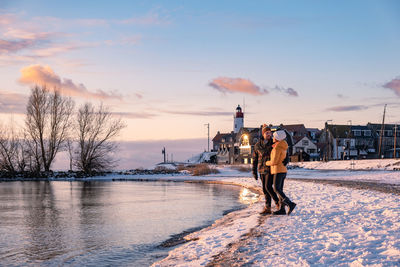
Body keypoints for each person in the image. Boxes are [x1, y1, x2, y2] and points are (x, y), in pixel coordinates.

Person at [265, 130, 296, 215]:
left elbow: (274, 161)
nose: (272, 138)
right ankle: (282, 209)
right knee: (280, 189)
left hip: (278, 170)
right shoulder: (283, 146)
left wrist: (266, 163)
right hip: (282, 170)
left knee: (276, 189)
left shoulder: (277, 148)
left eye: (274, 137)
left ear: (277, 138)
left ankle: (290, 203)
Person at [252, 124, 280, 215]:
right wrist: (254, 171)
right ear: (263, 134)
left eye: (270, 132)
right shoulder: (257, 145)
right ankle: (267, 207)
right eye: (267, 133)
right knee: (264, 189)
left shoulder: (274, 143)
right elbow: (254, 159)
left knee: (268, 187)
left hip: (271, 168)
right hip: (261, 169)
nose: (269, 134)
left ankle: (277, 202)